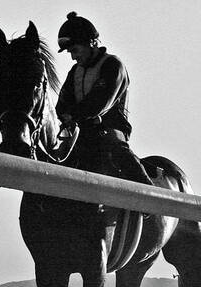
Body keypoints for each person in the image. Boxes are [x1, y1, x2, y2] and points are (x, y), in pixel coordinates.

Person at [55, 12, 152, 185]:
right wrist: (66, 116)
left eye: (75, 50)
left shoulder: (113, 66)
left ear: (91, 43)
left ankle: (151, 202)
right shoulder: (74, 71)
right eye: (70, 52)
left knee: (118, 151)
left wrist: (73, 115)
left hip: (109, 131)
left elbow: (98, 104)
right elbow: (61, 104)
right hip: (80, 134)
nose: (73, 57)